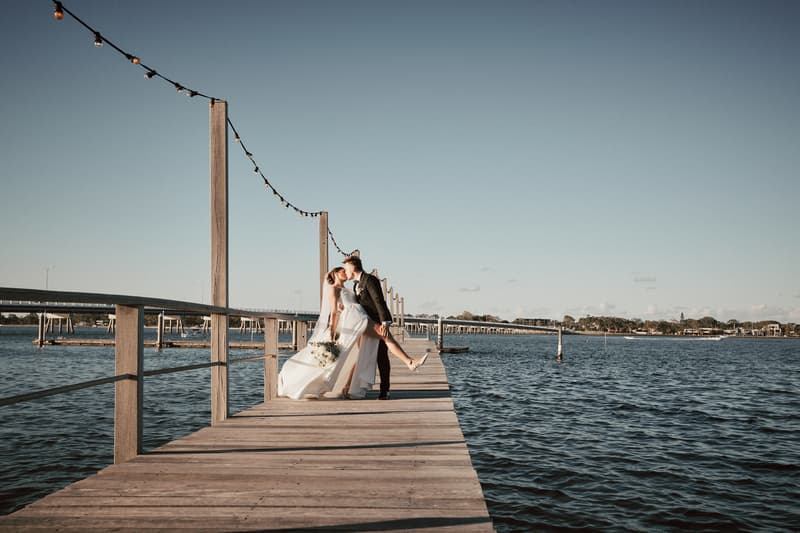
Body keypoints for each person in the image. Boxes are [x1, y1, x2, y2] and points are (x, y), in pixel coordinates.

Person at [277, 267, 427, 400]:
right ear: (335, 274)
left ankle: (348, 387)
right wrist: (331, 331)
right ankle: (409, 362)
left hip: (360, 318)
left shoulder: (351, 289)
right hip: (355, 321)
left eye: (345, 270)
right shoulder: (333, 289)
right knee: (385, 336)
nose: (345, 272)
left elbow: (349, 304)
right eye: (342, 270)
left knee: (361, 354)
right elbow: (334, 312)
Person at [343, 255, 400, 400]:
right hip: (365, 325)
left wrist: (385, 321)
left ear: (352, 266)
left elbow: (378, 300)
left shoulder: (370, 279)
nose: (345, 271)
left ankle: (384, 390)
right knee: (364, 356)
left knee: (381, 356)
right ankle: (355, 386)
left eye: (346, 268)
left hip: (378, 323)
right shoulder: (355, 285)